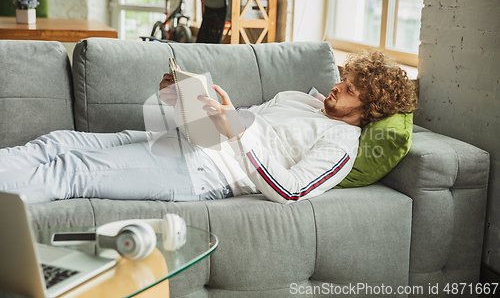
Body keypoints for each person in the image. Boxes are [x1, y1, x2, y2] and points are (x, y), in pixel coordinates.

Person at [0, 49, 416, 205]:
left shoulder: (341, 143)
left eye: (349, 90)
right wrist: (184, 101)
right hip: (185, 142)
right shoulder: (298, 99)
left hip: (205, 173)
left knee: (72, 170)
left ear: (370, 109)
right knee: (60, 141)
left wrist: (238, 131)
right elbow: (229, 120)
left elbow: (291, 189)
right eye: (344, 79)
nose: (336, 86)